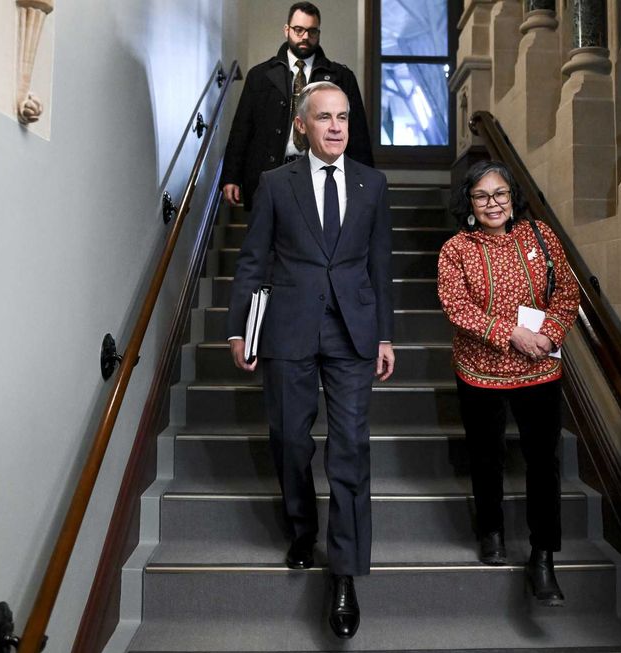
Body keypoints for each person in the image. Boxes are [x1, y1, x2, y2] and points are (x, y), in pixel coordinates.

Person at [226, 81, 394, 639]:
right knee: (291, 439)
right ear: (303, 125)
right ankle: (302, 527)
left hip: (352, 330)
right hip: (289, 328)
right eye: (325, 117)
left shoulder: (373, 184)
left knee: (349, 447)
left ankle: (344, 572)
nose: (337, 127)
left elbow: (379, 266)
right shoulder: (275, 184)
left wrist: (386, 337)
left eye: (343, 117)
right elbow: (252, 260)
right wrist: (238, 330)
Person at [437, 160, 580, 607]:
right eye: (481, 196)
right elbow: (456, 306)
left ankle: (543, 556)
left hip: (540, 367)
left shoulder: (540, 236)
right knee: (487, 454)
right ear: (468, 202)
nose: (492, 203)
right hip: (480, 368)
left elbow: (567, 292)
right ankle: (492, 530)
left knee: (543, 461)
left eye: (499, 194)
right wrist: (510, 333)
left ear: (511, 196)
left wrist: (550, 333)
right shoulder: (455, 249)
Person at [222, 1, 373, 210]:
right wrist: (230, 176)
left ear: (318, 33)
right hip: (268, 174)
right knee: (265, 240)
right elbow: (241, 128)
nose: (305, 37)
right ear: (287, 30)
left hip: (320, 174)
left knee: (315, 240)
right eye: (299, 30)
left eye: (311, 31)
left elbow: (357, 133)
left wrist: (364, 182)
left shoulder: (341, 78)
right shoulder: (260, 76)